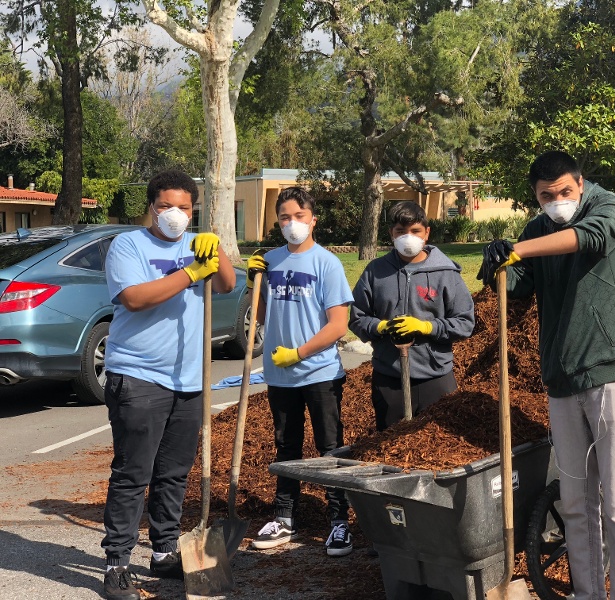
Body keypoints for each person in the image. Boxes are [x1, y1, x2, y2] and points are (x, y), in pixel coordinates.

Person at [478, 151, 615, 600]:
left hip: (611, 373)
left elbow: (589, 238)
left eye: (564, 192)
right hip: (562, 380)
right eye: (546, 196)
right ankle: (589, 594)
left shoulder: (606, 206)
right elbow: (520, 287)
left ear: (581, 182)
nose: (557, 201)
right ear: (535, 197)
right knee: (576, 506)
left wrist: (517, 248)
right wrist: (498, 266)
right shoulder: (536, 229)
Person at [101, 170, 236, 600]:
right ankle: (117, 562)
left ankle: (163, 552)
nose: (175, 215)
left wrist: (216, 252)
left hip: (188, 379)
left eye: (184, 208)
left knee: (174, 474)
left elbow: (227, 285)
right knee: (132, 473)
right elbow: (135, 298)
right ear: (151, 207)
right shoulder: (128, 245)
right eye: (166, 206)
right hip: (138, 376)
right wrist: (192, 272)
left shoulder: (196, 245)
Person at [246, 187, 355, 557]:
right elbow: (262, 317)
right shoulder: (271, 260)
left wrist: (300, 353)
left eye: (298, 216)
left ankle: (339, 521)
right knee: (287, 445)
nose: (291, 224)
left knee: (330, 449)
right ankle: (285, 517)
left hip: (320, 373)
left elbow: (338, 325)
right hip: (280, 376)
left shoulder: (327, 263)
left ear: (313, 220)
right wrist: (253, 284)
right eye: (284, 218)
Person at [349, 201, 475, 431]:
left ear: (427, 233)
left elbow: (465, 323)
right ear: (391, 234)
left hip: (436, 377)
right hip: (389, 377)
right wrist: (381, 327)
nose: (408, 237)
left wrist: (428, 328)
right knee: (390, 447)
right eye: (401, 232)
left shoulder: (446, 273)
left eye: (415, 231)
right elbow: (357, 318)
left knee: (439, 447)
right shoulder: (375, 271)